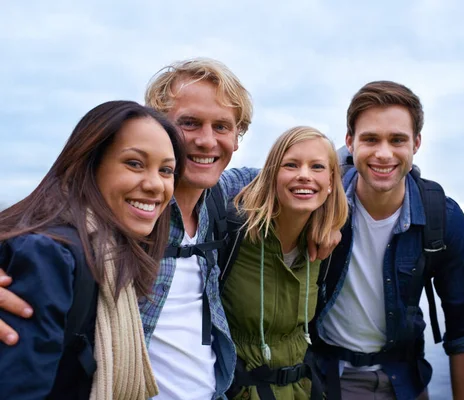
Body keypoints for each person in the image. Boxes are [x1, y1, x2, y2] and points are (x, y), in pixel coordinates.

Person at [0, 58, 340, 399]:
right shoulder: (122, 208)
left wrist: (331, 216)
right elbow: (37, 229)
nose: (207, 142)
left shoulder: (221, 196)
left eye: (222, 127)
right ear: (157, 128)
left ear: (238, 138)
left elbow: (290, 180)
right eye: (189, 123)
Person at [0, 100, 186, 399]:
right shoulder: (49, 255)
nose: (155, 184)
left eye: (166, 170)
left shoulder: (111, 253)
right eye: (135, 163)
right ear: (89, 164)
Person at [312, 81, 464, 400]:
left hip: (404, 382)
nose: (384, 153)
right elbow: (265, 185)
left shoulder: (442, 218)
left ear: (416, 143)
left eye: (398, 140)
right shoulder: (318, 198)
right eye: (371, 139)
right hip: (325, 380)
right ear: (350, 142)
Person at [220, 126, 348, 399]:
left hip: (302, 389)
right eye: (291, 165)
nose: (304, 175)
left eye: (317, 167)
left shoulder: (328, 243)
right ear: (272, 175)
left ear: (330, 181)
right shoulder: (233, 231)